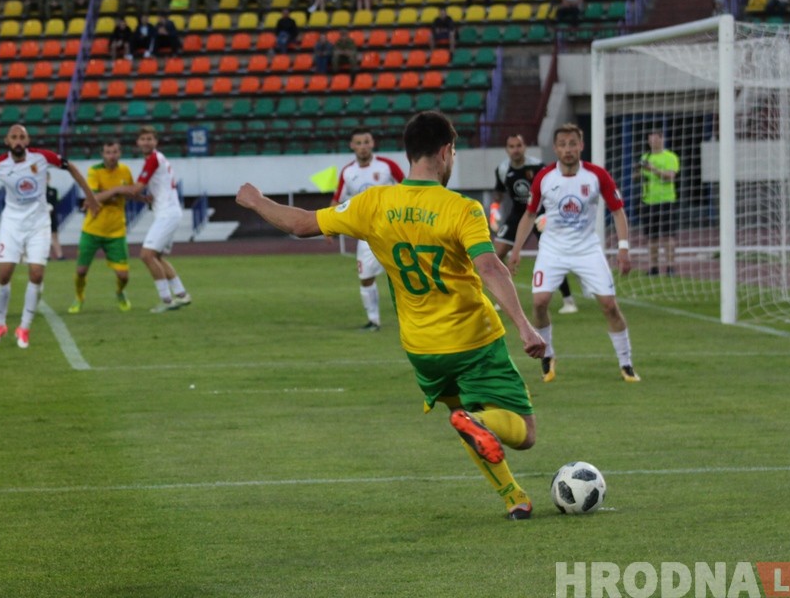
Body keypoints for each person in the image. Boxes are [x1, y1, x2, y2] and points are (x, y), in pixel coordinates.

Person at [236, 111, 547, 520]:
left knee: (467, 419)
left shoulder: (374, 203)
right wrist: (525, 325)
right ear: (445, 152)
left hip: (422, 349)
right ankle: (480, 426)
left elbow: (303, 223)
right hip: (473, 341)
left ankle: (514, 497)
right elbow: (490, 266)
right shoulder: (461, 208)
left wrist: (256, 200)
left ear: (409, 153)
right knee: (523, 431)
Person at [508, 123, 639, 384]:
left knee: (610, 306)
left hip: (587, 249)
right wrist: (516, 250)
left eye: (572, 144)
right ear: (555, 148)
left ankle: (626, 363)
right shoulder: (545, 177)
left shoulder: (597, 175)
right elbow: (530, 215)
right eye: (562, 144)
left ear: (581, 146)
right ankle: (548, 356)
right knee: (539, 302)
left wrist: (623, 248)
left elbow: (617, 211)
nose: (568, 149)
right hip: (552, 249)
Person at [0, 125, 99, 348]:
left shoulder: (41, 158)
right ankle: (0, 324)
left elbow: (70, 166)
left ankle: (24, 327)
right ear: (7, 141)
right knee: (4, 274)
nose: (18, 141)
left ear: (28, 140)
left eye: (22, 137)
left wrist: (91, 197)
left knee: (36, 273)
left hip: (39, 224)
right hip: (12, 224)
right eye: (14, 137)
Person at [491, 134, 576, 314]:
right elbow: (499, 193)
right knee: (497, 254)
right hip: (517, 214)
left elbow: (554, 189)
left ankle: (569, 301)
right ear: (507, 149)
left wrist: (551, 214)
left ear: (525, 147)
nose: (515, 150)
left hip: (540, 213)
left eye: (518, 145)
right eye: (511, 146)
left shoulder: (538, 167)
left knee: (551, 254)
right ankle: (504, 299)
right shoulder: (502, 169)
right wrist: (494, 210)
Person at [331, 129, 405, 330]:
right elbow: (336, 200)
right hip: (366, 234)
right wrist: (328, 227)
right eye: (358, 143)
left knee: (405, 275)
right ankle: (374, 321)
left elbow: (409, 190)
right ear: (352, 146)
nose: (363, 146)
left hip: (394, 231)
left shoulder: (387, 166)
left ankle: (414, 318)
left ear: (372, 143)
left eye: (366, 142)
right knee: (365, 278)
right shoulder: (348, 172)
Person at [114, 126, 192, 312]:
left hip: (167, 213)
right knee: (156, 256)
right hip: (168, 211)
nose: (146, 142)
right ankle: (181, 294)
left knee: (146, 255)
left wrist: (115, 190)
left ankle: (167, 300)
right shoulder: (157, 158)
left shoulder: (152, 160)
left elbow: (136, 189)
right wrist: (146, 196)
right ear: (138, 142)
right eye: (143, 139)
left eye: (149, 139)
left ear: (155, 141)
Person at [69, 140, 134, 314]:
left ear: (120, 153)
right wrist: (115, 191)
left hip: (116, 231)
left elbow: (130, 192)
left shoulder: (125, 171)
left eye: (115, 152)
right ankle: (79, 297)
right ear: (102, 154)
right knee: (81, 271)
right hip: (92, 229)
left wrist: (140, 197)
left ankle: (120, 292)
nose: (111, 156)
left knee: (123, 276)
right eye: (108, 152)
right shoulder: (94, 171)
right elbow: (93, 197)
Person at [637, 130, 680, 277]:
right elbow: (640, 176)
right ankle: (653, 268)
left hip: (666, 200)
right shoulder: (645, 157)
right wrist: (639, 171)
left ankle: (670, 267)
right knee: (651, 236)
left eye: (655, 139)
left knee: (668, 235)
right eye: (650, 140)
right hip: (648, 201)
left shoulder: (670, 157)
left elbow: (670, 176)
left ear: (662, 139)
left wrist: (653, 169)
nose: (652, 142)